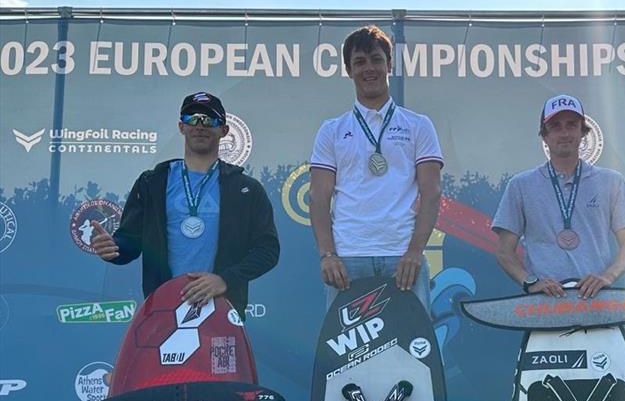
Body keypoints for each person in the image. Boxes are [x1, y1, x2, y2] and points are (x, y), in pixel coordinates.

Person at [91, 92, 279, 318]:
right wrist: (113, 248)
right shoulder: (152, 182)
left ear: (224, 130)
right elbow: (130, 241)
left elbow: (267, 250)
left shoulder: (246, 189)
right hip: (163, 308)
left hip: (222, 309)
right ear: (181, 127)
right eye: (192, 118)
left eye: (209, 120)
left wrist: (225, 280)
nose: (200, 125)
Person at [309, 25, 443, 308]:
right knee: (347, 352)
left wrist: (415, 251)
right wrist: (328, 255)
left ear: (389, 65)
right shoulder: (331, 130)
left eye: (376, 59)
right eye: (359, 62)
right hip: (348, 259)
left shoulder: (418, 125)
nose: (368, 68)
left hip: (403, 258)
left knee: (413, 350)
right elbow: (319, 199)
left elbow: (431, 193)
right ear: (348, 70)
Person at [492, 94, 625, 299]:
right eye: (555, 126)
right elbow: (504, 252)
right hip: (545, 305)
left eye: (571, 125)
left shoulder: (611, 181)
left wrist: (607, 277)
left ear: (583, 132)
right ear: (544, 135)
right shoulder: (520, 185)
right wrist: (530, 282)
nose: (564, 133)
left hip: (598, 302)